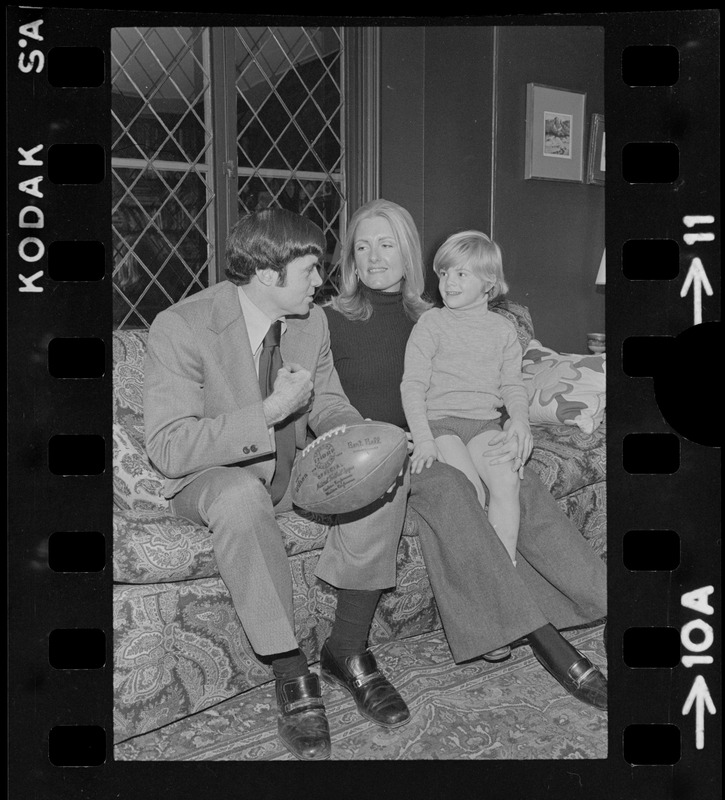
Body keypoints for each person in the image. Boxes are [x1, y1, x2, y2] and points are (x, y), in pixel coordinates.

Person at [143, 208, 411, 762]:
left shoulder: (309, 323)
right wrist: (267, 412)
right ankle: (292, 673)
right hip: (212, 480)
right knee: (240, 495)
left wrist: (361, 440)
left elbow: (330, 401)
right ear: (268, 274)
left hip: (290, 476)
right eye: (312, 269)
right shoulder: (182, 325)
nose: (323, 282)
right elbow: (169, 447)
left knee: (385, 462)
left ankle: (348, 650)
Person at [324, 199, 607, 710]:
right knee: (455, 488)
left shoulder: (435, 316)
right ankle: (547, 640)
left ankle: (599, 597)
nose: (373, 256)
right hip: (386, 452)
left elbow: (491, 379)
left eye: (387, 244)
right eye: (362, 245)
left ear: (409, 255)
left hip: (446, 432)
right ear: (349, 257)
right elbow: (321, 404)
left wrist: (515, 423)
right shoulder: (328, 320)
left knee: (518, 482)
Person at [402, 230, 531, 564]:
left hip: (485, 423)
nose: (449, 282)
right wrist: (424, 438)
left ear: (489, 283)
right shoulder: (431, 323)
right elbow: (412, 385)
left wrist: (520, 421)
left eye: (461, 274)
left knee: (507, 480)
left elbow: (513, 384)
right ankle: (483, 571)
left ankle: (505, 569)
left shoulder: (502, 329)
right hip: (441, 424)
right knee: (468, 491)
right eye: (444, 273)